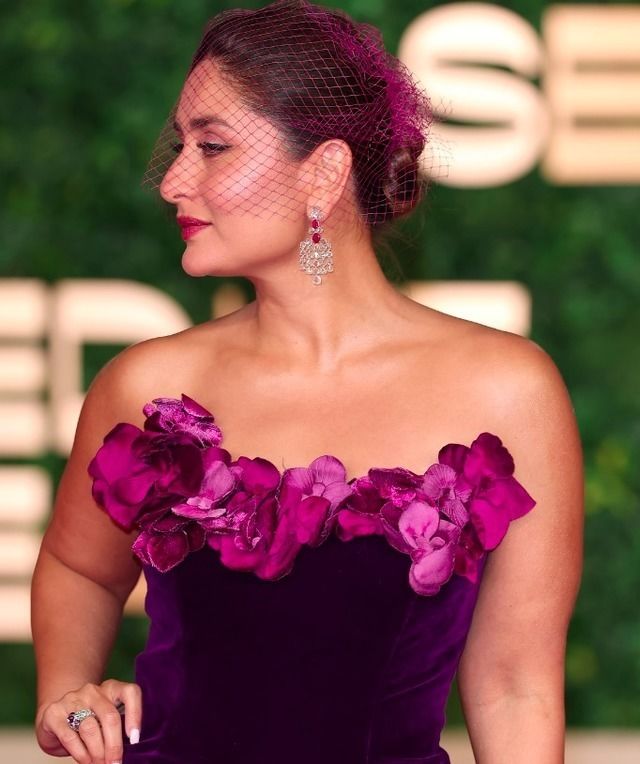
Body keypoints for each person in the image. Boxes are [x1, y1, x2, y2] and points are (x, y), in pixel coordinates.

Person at [31, 1, 583, 762]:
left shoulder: (508, 390)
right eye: (180, 146)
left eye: (212, 147)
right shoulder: (147, 388)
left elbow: (517, 688)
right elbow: (78, 568)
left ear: (324, 171)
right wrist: (65, 692)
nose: (173, 181)